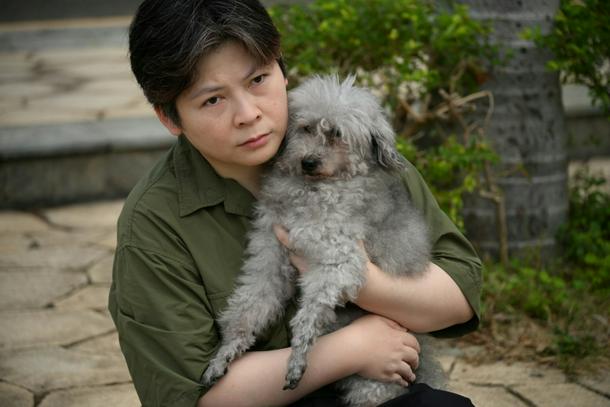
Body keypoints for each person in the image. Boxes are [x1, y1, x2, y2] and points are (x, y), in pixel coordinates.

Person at [108, 0, 483, 406]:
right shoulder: (154, 224)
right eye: (213, 100)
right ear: (170, 118)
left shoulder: (355, 152)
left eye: (258, 80)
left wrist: (360, 280)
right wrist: (351, 349)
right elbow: (196, 396)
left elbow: (457, 299)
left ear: (282, 70)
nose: (248, 114)